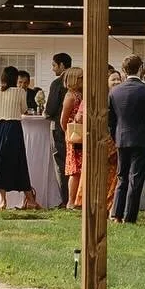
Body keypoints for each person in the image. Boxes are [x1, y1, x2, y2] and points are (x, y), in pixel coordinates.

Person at [0, 66, 40, 210]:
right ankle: (30, 199)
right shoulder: (19, 92)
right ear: (15, 78)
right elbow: (23, 109)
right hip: (14, 129)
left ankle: (3, 201)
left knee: (0, 164)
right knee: (19, 163)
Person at [108, 55, 145, 224]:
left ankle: (116, 213)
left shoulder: (115, 91)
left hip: (122, 138)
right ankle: (130, 216)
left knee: (122, 176)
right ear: (140, 69)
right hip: (142, 140)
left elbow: (111, 120)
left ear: (123, 70)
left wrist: (115, 137)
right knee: (136, 178)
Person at [44, 53, 72, 205]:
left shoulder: (58, 83)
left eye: (54, 65)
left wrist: (47, 113)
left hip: (59, 129)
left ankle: (65, 199)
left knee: (61, 164)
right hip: (76, 128)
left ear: (62, 65)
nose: (53, 69)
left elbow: (50, 109)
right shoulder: (78, 82)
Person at [61, 66, 85, 207]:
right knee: (74, 170)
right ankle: (71, 201)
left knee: (81, 169)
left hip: (81, 135)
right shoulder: (70, 96)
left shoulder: (81, 95)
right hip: (74, 135)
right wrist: (69, 134)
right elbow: (63, 120)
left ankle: (78, 199)